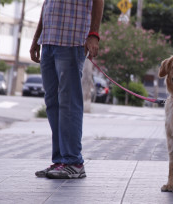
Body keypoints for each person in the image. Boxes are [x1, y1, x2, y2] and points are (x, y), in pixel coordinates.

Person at [29, 0, 104, 179]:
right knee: (52, 104)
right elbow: (46, 5)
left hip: (71, 40)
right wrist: (36, 39)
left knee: (69, 103)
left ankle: (73, 162)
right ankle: (60, 160)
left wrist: (93, 34)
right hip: (48, 41)